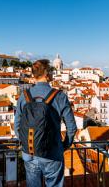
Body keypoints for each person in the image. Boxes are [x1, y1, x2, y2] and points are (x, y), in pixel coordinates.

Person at [14, 59, 77, 187]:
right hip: (52, 153)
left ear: (33, 75)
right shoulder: (59, 96)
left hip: (29, 152)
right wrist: (63, 146)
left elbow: (17, 127)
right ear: (47, 75)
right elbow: (71, 127)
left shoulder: (24, 96)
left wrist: (27, 142)